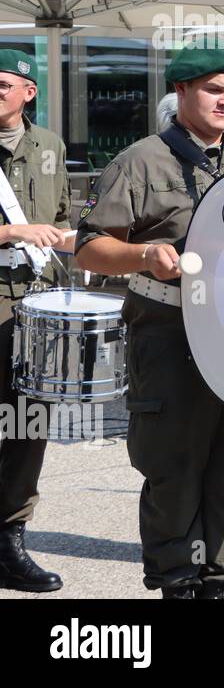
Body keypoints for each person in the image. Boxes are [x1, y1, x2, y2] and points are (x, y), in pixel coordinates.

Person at [75, 44, 224, 598]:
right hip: (170, 332)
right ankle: (177, 584)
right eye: (215, 90)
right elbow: (89, 248)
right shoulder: (139, 161)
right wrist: (144, 256)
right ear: (182, 92)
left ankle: (217, 582)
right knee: (175, 469)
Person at [0, 49, 74, 593]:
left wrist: (74, 239)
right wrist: (13, 234)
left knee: (30, 421)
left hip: (36, 300)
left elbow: (64, 219)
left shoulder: (49, 147)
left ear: (28, 92)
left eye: (3, 85)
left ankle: (9, 538)